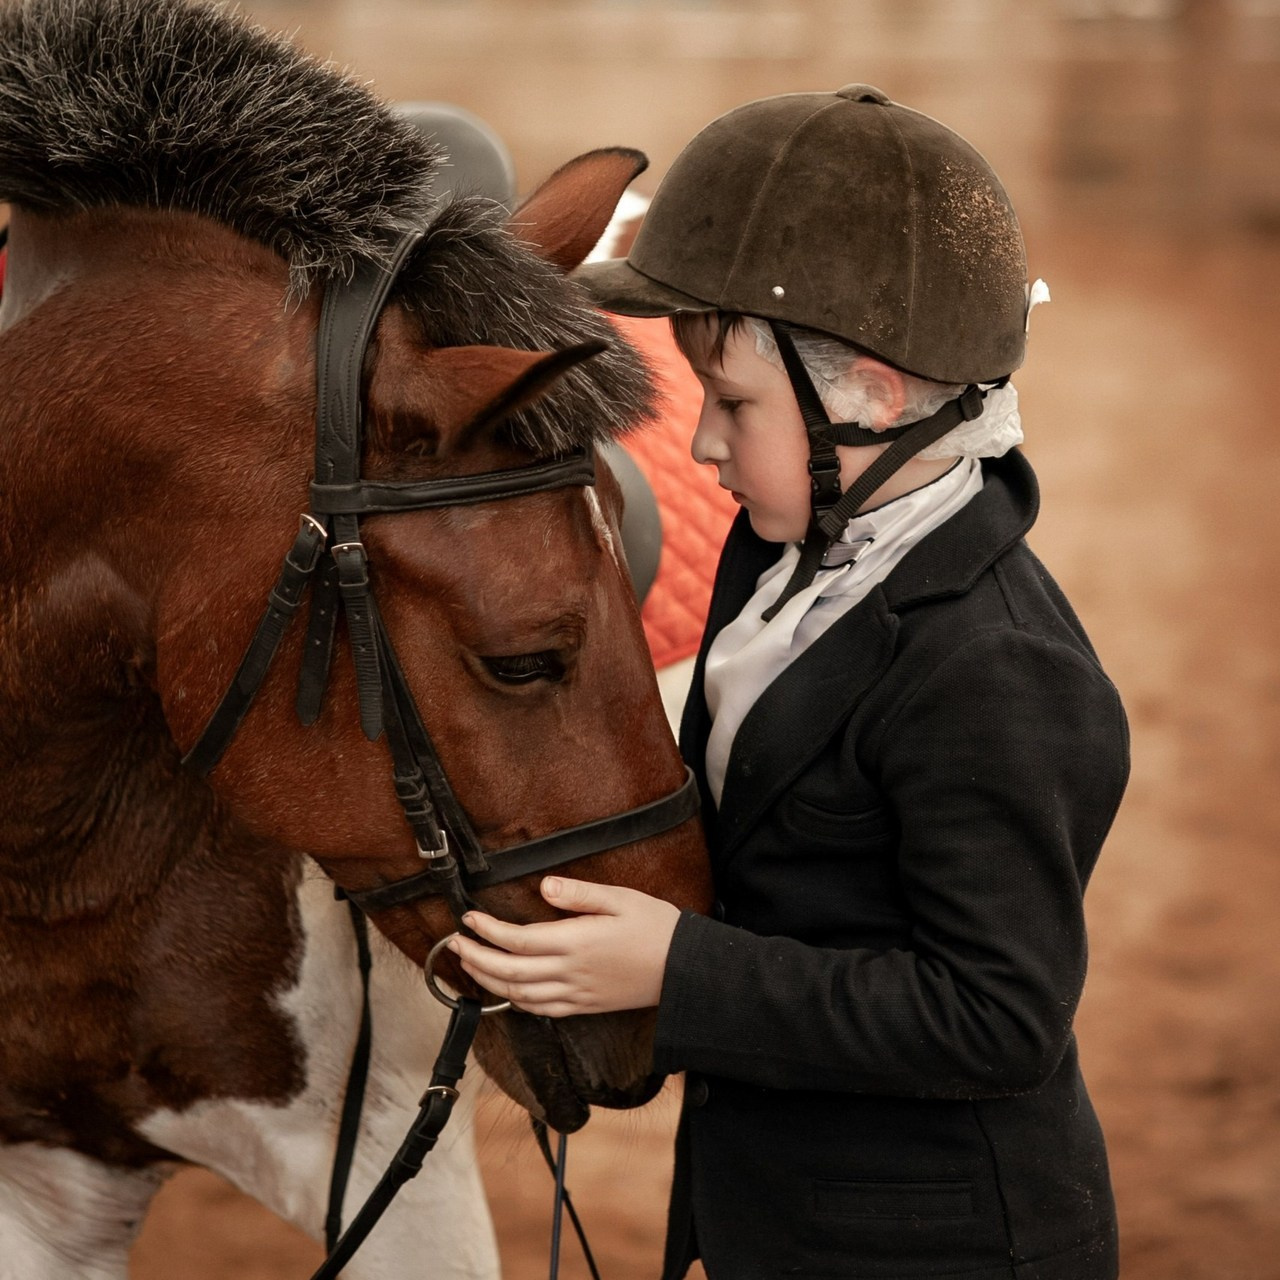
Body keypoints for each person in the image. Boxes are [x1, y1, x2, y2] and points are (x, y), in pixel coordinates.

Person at [448, 85, 1128, 1280]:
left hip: (934, 1243)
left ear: (864, 392)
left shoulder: (995, 667)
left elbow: (999, 1016)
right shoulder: (775, 551)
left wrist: (677, 971)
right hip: (765, 1213)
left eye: (731, 403)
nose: (703, 444)